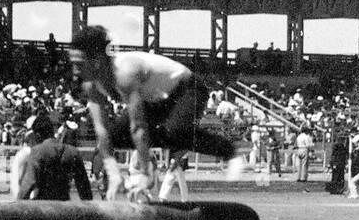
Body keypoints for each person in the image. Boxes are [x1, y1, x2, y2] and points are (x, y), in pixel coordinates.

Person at [69, 25, 235, 199]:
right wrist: (113, 174)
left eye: (79, 65)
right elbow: (102, 132)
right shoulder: (91, 85)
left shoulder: (125, 72)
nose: (75, 71)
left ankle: (228, 150)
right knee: (113, 135)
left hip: (187, 88)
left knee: (175, 133)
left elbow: (138, 127)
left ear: (97, 60)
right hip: (155, 99)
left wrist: (146, 174)